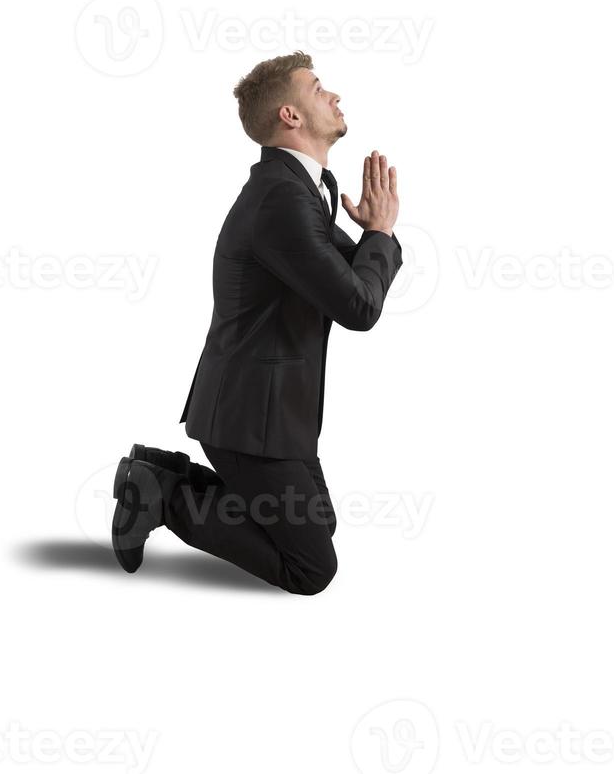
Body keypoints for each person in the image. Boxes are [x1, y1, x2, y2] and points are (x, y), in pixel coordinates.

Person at [111, 50, 403, 595]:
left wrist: (374, 237)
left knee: (318, 529)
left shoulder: (304, 190)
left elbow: (352, 277)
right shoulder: (281, 201)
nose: (334, 96)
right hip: (249, 419)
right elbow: (359, 305)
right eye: (318, 89)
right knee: (311, 568)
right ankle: (161, 494)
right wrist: (380, 236)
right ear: (289, 116)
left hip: (276, 413)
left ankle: (159, 471)